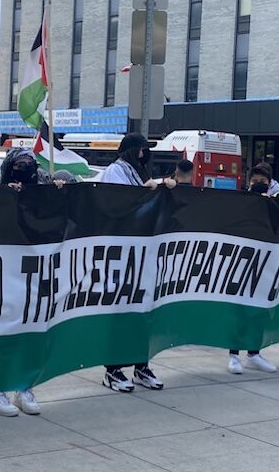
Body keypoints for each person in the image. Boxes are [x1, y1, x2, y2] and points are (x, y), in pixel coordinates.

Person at [0, 148, 53, 417]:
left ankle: (24, 388)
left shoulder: (41, 192)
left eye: (29, 165)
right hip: (5, 273)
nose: (25, 170)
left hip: (34, 273)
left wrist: (56, 193)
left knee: (32, 331)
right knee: (3, 332)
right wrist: (5, 198)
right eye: (19, 165)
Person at [98, 133, 170, 392]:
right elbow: (120, 203)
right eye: (140, 149)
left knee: (143, 311)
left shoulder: (137, 171)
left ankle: (141, 365)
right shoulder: (116, 172)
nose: (144, 154)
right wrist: (146, 192)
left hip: (143, 252)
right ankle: (113, 369)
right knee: (120, 312)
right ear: (130, 150)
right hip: (121, 252)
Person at [226, 172, 279, 374]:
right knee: (239, 311)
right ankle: (233, 355)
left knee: (259, 311)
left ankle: (254, 354)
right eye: (255, 182)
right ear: (249, 183)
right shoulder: (240, 203)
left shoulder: (273, 205)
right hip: (241, 263)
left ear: (269, 184)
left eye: (263, 182)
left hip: (264, 265)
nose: (259, 185)